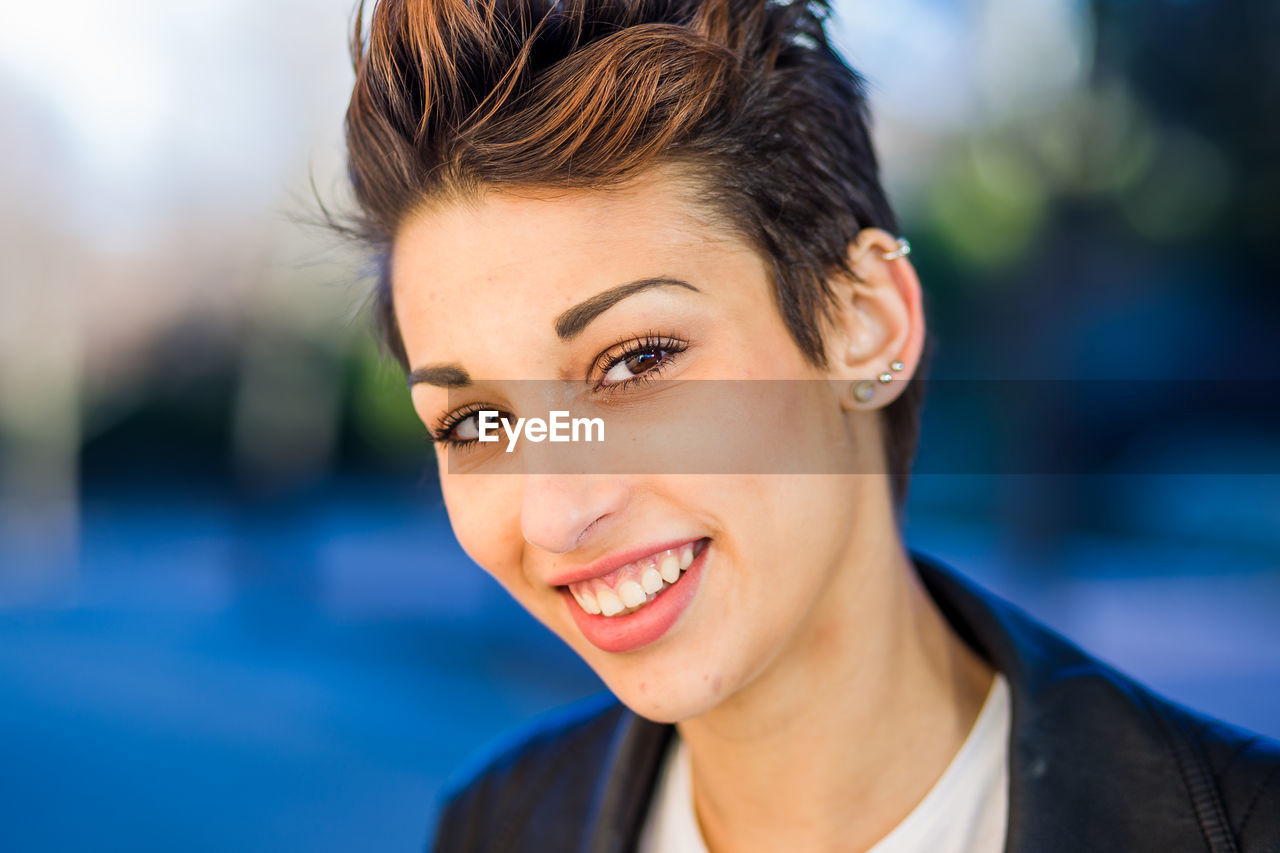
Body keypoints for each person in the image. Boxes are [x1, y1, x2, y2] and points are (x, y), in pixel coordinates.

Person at [334, 1, 1280, 850]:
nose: (553, 514)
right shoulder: (494, 828)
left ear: (866, 324)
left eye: (636, 361)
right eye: (476, 422)